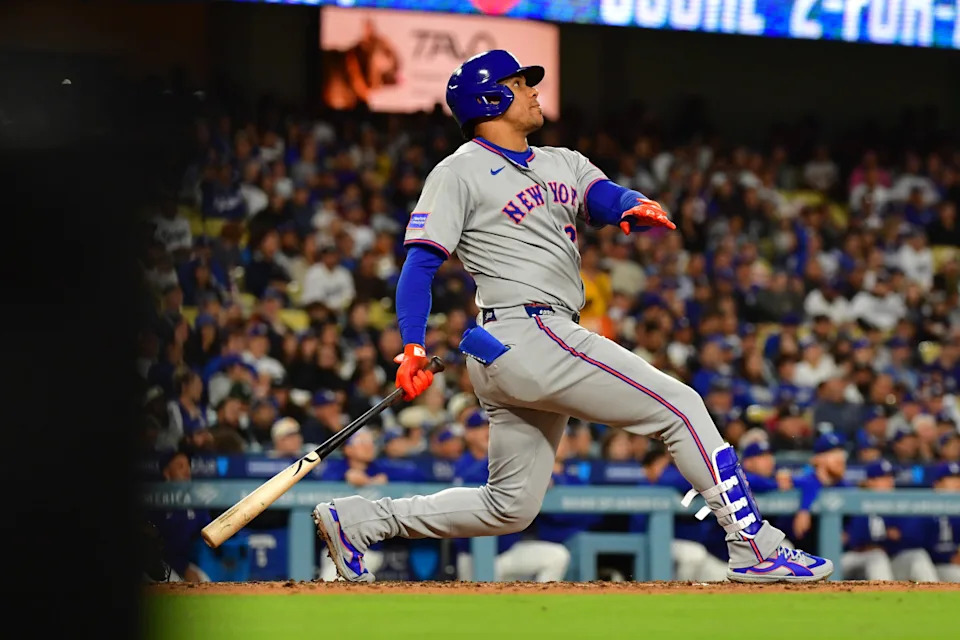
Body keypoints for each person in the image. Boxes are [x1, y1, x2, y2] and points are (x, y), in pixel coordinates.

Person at [312, 49, 832, 584]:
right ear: (489, 98)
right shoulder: (458, 171)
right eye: (520, 83)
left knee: (509, 506)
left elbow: (601, 196)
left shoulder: (562, 160)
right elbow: (420, 265)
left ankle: (360, 521)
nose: (534, 90)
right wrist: (412, 345)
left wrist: (630, 204)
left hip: (516, 347)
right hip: (528, 330)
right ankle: (755, 545)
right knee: (681, 408)